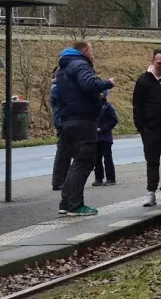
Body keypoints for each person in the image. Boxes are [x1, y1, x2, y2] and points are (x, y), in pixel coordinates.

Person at [55, 41, 115, 216]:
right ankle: (75, 204)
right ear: (85, 51)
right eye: (91, 50)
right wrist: (107, 83)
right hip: (83, 120)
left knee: (76, 163)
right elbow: (89, 84)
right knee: (84, 161)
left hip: (68, 119)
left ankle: (65, 202)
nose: (92, 54)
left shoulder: (62, 68)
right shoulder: (80, 64)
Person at [132, 49, 161, 207]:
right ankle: (150, 192)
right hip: (150, 129)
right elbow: (137, 105)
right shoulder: (143, 81)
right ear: (152, 61)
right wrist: (141, 127)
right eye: (160, 63)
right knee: (152, 162)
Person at [49, 66, 70, 191]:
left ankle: (63, 179)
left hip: (62, 121)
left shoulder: (58, 86)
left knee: (66, 152)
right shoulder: (58, 87)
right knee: (63, 152)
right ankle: (58, 181)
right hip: (63, 122)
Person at [92, 90, 118, 186]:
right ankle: (98, 178)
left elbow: (114, 120)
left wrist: (103, 129)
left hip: (105, 136)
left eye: (102, 92)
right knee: (96, 158)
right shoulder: (92, 106)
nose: (99, 94)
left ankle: (111, 178)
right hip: (95, 137)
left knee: (107, 158)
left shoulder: (107, 106)